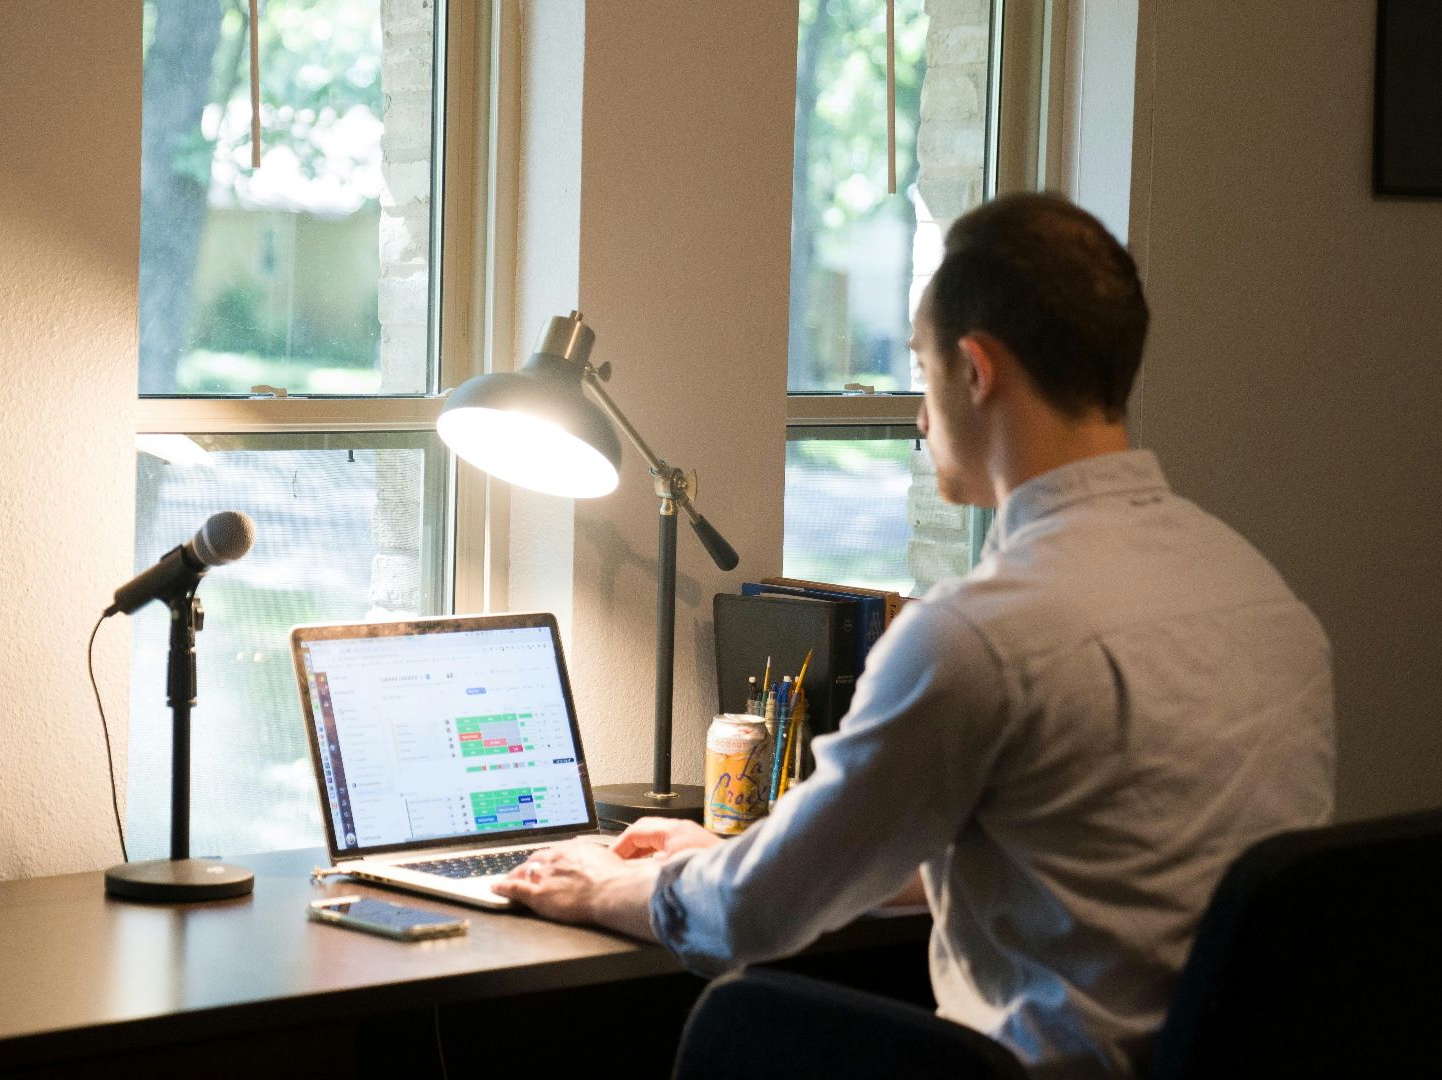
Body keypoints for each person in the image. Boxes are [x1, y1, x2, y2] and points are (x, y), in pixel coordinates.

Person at [493, 192, 1334, 1080]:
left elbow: (749, 920)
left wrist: (596, 885)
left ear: (976, 371)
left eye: (924, 373)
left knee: (735, 1029)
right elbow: (1059, 859)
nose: (920, 416)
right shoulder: (1261, 596)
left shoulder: (980, 637)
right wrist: (748, 852)